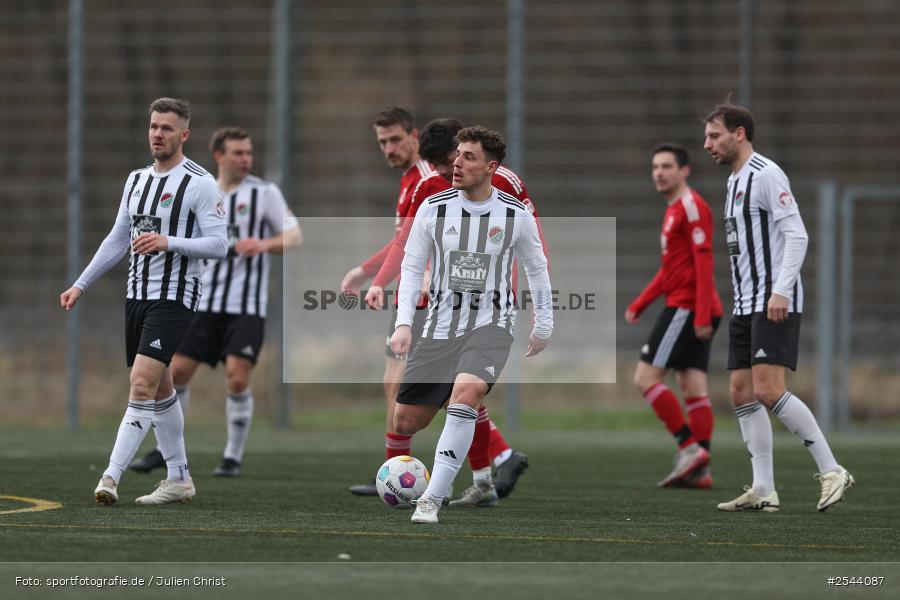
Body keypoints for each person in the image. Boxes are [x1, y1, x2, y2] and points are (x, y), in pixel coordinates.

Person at [341, 110, 528, 500]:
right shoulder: (420, 182)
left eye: (394, 140)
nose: (388, 149)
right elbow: (406, 243)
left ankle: (404, 473)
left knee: (423, 387)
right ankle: (488, 471)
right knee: (452, 393)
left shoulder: (448, 182)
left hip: (448, 301)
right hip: (425, 295)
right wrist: (371, 275)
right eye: (382, 142)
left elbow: (521, 239)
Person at [60, 97, 227, 505]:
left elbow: (220, 244)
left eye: (167, 128)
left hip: (175, 298)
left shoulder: (200, 183)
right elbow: (118, 238)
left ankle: (110, 477)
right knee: (159, 388)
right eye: (154, 126)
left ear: (184, 135)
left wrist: (169, 242)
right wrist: (81, 283)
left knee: (140, 384)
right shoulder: (135, 180)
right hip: (136, 297)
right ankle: (180, 479)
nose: (158, 134)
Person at [388, 126, 553, 524]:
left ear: (491, 167)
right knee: (406, 420)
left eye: (469, 157)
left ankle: (431, 498)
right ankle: (480, 476)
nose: (457, 163)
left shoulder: (515, 215)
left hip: (492, 324)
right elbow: (411, 268)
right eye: (457, 155)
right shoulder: (434, 208)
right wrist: (404, 323)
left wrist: (543, 323)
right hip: (439, 327)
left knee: (466, 394)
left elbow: (537, 268)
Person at [703, 103, 853, 512]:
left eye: (714, 136)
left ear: (739, 133)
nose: (707, 144)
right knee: (741, 392)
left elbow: (797, 235)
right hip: (745, 301)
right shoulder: (733, 181)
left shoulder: (766, 175)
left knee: (769, 389)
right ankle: (764, 488)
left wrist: (781, 289)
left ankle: (832, 469)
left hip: (772, 301)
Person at [129, 127, 302, 477]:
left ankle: (232, 457)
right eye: (238, 152)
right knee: (175, 373)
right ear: (219, 156)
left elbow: (295, 235)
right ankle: (165, 451)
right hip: (200, 303)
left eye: (249, 152)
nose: (245, 159)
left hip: (245, 307)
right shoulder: (199, 188)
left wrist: (264, 244)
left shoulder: (264, 193)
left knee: (238, 378)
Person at [625, 143, 722, 489]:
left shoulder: (692, 207)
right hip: (692, 304)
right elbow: (672, 270)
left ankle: (689, 447)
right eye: (655, 167)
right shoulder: (673, 210)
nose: (659, 173)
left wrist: (700, 314)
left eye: (667, 166)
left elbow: (704, 260)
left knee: (645, 378)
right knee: (692, 385)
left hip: (688, 306)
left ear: (684, 171)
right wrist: (641, 302)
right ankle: (700, 470)